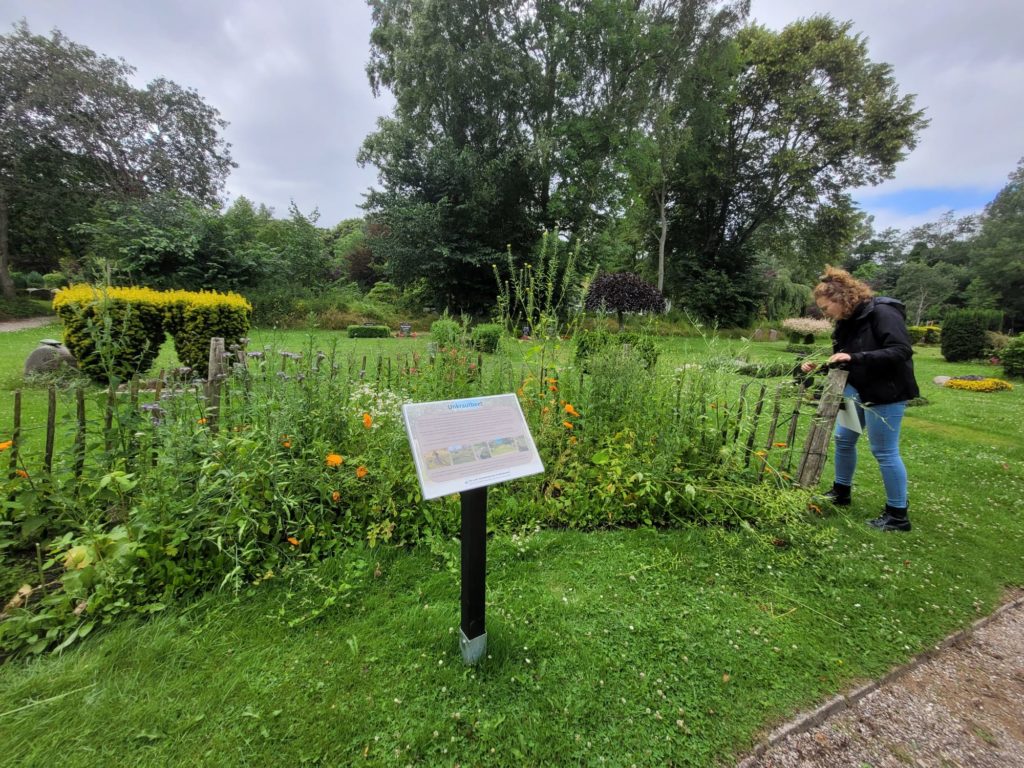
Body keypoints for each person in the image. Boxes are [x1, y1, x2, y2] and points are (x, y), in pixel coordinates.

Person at [800, 266, 920, 532]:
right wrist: (821, 364)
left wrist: (856, 358)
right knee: (843, 439)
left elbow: (901, 350)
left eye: (825, 307)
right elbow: (843, 356)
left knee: (884, 451)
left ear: (841, 298)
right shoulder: (846, 321)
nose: (825, 313)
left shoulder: (883, 312)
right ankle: (841, 492)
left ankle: (897, 515)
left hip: (886, 392)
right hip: (852, 388)